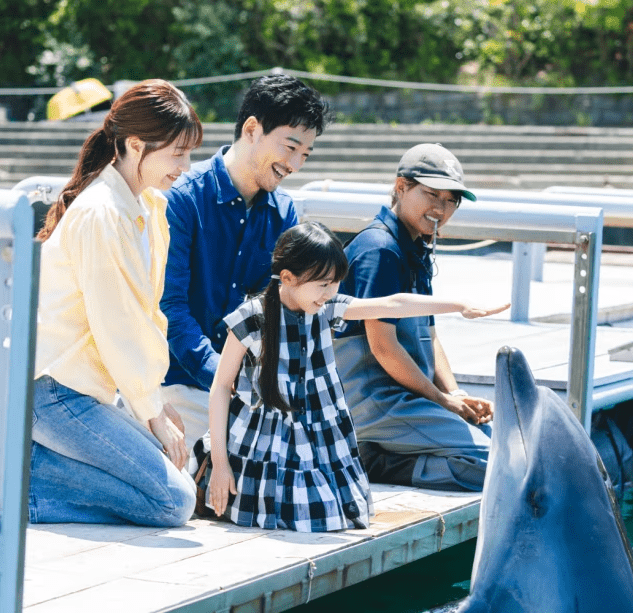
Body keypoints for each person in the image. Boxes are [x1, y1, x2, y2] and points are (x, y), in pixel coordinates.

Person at [191, 222, 508, 531]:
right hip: (263, 439)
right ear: (287, 277)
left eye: (335, 282)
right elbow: (221, 387)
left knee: (332, 517)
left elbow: (392, 303)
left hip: (320, 434)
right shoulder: (252, 317)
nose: (330, 292)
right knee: (299, 516)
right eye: (323, 283)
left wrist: (459, 305)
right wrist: (220, 463)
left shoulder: (324, 308)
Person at [27, 79, 203, 525]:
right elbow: (116, 323)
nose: (186, 165)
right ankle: (25, 476)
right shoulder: (101, 212)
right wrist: (149, 410)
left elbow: (144, 317)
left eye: (189, 152)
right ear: (134, 144)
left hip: (90, 391)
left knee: (183, 485)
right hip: (55, 391)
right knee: (174, 502)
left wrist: (153, 400)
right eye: (177, 152)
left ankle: (28, 469)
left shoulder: (149, 208)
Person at [161, 74, 332, 444]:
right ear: (252, 128)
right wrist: (228, 378)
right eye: (290, 147)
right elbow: (170, 309)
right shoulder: (183, 198)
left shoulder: (283, 213)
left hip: (248, 390)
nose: (295, 164)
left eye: (305, 154)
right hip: (176, 384)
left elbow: (279, 307)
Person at [334, 143, 499, 492]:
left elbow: (429, 335)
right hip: (374, 399)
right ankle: (375, 463)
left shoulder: (415, 246)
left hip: (407, 396)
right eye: (431, 194)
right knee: (496, 463)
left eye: (451, 199)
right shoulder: (380, 249)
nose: (441, 208)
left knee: (496, 439)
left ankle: (378, 455)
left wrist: (456, 392)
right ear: (400, 187)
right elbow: (382, 346)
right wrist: (442, 401)